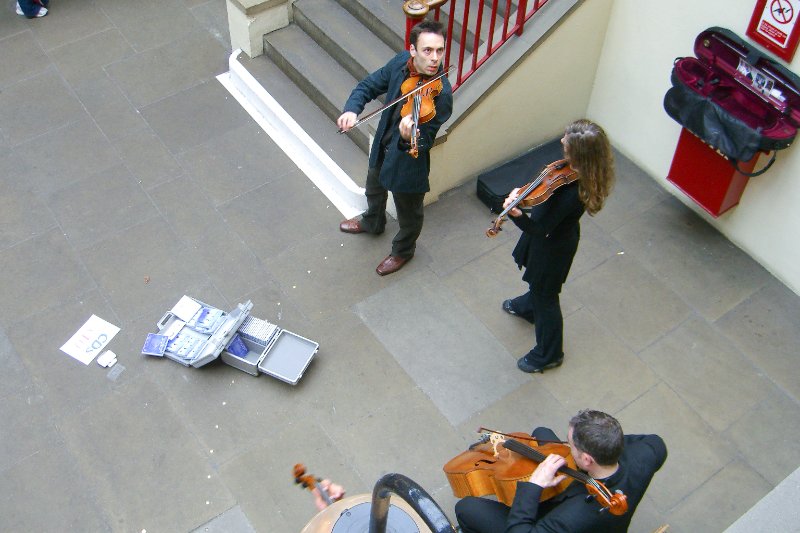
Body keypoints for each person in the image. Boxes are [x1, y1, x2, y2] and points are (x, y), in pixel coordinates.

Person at [337, 20, 453, 276]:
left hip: (408, 162)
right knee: (374, 188)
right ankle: (373, 222)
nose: (435, 59)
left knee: (409, 214)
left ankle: (403, 251)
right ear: (412, 50)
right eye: (427, 50)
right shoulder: (401, 64)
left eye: (440, 50)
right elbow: (368, 85)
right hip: (383, 146)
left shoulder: (441, 95)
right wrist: (352, 109)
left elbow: (424, 143)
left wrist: (407, 136)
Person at [502, 119, 615, 373]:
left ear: (580, 154)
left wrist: (516, 215)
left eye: (567, 141)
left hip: (553, 246)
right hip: (553, 236)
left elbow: (541, 231)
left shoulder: (573, 194)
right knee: (539, 288)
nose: (562, 141)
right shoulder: (573, 171)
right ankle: (529, 307)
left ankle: (550, 353)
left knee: (547, 298)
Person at [455, 409, 667, 532]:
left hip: (579, 522)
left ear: (587, 459)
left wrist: (533, 486)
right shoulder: (648, 453)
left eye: (570, 445)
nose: (567, 447)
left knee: (467, 508)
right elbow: (656, 442)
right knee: (541, 432)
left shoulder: (571, 518)